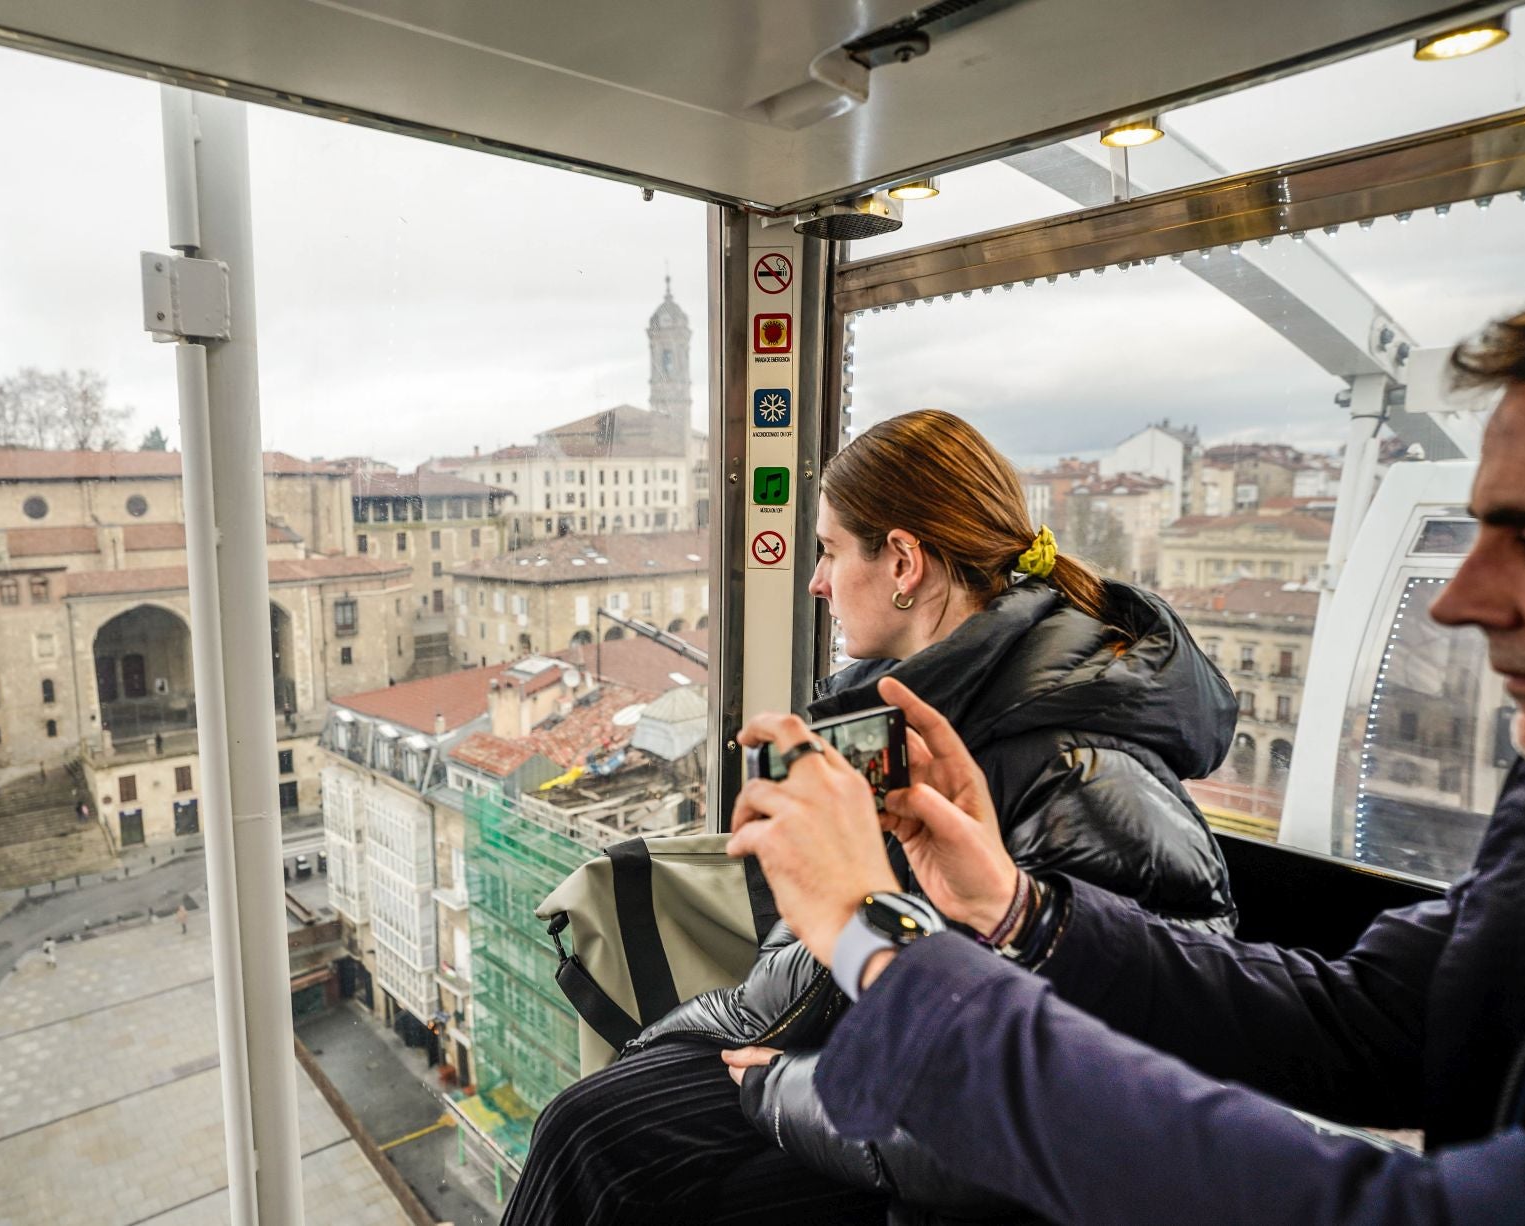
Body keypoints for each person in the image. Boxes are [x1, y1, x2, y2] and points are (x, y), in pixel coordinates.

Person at [722, 273, 1525, 1224]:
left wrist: (879, 952)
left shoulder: (1082, 761)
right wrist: (1021, 912)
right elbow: (1367, 1023)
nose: (1457, 601)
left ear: (904, 559)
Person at [505, 411, 1239, 1224]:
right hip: (866, 1050)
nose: (816, 583)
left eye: (828, 551)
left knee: (596, 1142)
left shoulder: (1082, 774)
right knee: (591, 1124)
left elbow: (1088, 1108)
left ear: (902, 562)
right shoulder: (933, 712)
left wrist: (782, 1088)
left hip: (933, 1129)